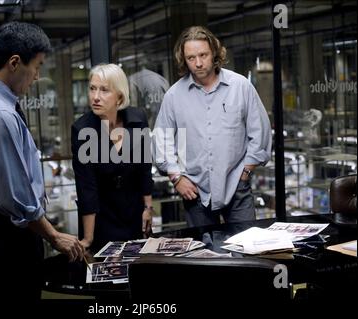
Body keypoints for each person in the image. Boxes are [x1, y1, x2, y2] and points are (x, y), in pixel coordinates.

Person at [0, 21, 84, 300]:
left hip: (2, 233)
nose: (37, 76)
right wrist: (54, 236)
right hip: (8, 238)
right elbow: (14, 197)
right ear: (15, 62)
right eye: (37, 66)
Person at [153, 26, 272, 227]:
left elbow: (260, 132)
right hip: (194, 191)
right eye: (191, 58)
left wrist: (246, 173)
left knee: (247, 250)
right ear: (184, 60)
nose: (198, 63)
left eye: (203, 55)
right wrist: (176, 178)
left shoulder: (240, 86)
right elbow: (161, 141)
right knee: (203, 254)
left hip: (237, 187)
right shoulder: (174, 96)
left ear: (214, 53)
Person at [71, 63, 154, 252]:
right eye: (92, 89)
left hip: (133, 211)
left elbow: (144, 168)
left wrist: (148, 208)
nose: (96, 97)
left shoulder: (137, 119)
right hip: (101, 216)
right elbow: (87, 187)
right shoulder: (82, 129)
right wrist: (88, 239)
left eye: (104, 90)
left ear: (120, 96)